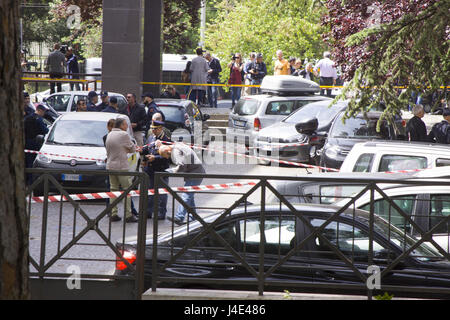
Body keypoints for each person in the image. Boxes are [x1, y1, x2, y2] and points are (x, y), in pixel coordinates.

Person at [158, 142, 205, 225]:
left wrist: (170, 172)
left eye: (166, 156)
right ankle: (193, 217)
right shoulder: (178, 146)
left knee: (186, 195)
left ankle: (179, 217)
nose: (168, 157)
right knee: (189, 197)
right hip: (196, 172)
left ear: (167, 150)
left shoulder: (175, 151)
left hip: (194, 174)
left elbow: (181, 166)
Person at [105, 118, 138, 223]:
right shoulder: (123, 135)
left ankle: (113, 213)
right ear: (121, 125)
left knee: (113, 190)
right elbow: (132, 149)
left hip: (110, 166)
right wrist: (128, 148)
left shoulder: (109, 134)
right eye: (125, 124)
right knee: (126, 190)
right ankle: (128, 215)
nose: (127, 126)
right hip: (121, 167)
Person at [141, 120, 172, 219]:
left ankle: (160, 212)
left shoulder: (166, 140)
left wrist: (155, 158)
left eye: (155, 129)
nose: (153, 131)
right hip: (150, 169)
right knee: (149, 191)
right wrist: (142, 151)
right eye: (152, 129)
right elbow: (147, 149)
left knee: (161, 193)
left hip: (161, 169)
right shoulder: (151, 137)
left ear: (161, 128)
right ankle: (148, 211)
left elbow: (168, 156)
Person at [24, 104, 49, 185]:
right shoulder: (39, 119)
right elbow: (46, 130)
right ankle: (33, 183)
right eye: (44, 112)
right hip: (36, 143)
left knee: (28, 163)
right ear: (40, 110)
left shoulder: (27, 118)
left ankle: (28, 182)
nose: (44, 114)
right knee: (35, 164)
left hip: (27, 143)